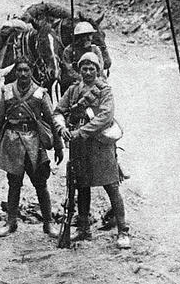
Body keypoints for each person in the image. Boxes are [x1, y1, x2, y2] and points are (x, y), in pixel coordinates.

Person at [54, 52, 130, 249]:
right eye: (84, 68)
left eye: (92, 68)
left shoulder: (104, 90)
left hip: (101, 145)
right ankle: (84, 228)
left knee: (111, 186)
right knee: (82, 186)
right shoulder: (72, 91)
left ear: (98, 70)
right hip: (80, 147)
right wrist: (62, 127)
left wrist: (81, 132)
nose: (88, 72)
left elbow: (105, 116)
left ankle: (123, 230)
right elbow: (58, 111)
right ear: (79, 70)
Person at [0, 57, 64, 238]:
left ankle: (48, 223)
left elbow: (52, 121)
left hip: (35, 145)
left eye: (26, 70)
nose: (22, 74)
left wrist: (58, 147)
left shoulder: (40, 93)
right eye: (19, 70)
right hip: (12, 143)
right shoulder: (6, 92)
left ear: (31, 72)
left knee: (40, 184)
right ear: (16, 72)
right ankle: (11, 222)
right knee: (14, 184)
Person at [60, 21, 109, 86]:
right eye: (85, 36)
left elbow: (100, 66)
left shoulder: (95, 49)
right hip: (76, 80)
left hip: (93, 78)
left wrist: (93, 78)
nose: (89, 38)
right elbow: (69, 69)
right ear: (78, 37)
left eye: (90, 35)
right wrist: (81, 78)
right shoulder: (69, 51)